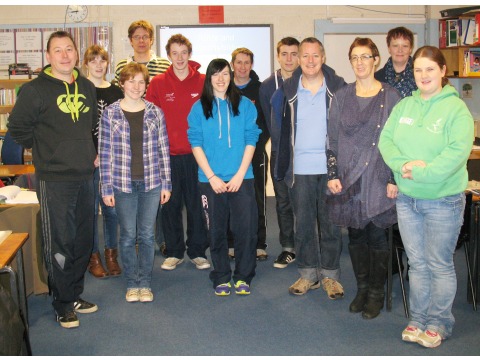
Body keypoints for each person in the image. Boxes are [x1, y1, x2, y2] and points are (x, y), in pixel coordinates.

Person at [379, 45, 474, 348]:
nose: (423, 75)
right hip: (407, 199)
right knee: (417, 263)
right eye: (418, 70)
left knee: (439, 263)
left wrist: (420, 172)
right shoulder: (405, 106)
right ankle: (418, 319)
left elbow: (456, 156)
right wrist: (402, 165)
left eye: (430, 69)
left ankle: (439, 322)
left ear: (443, 71)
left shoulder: (456, 110)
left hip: (443, 200)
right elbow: (386, 140)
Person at [8, 31, 98, 328]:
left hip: (86, 175)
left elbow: (91, 126)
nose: (64, 55)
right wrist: (45, 151)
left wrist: (92, 152)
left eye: (69, 49)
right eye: (57, 50)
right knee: (59, 241)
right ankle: (61, 302)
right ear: (48, 56)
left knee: (83, 238)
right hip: (54, 177)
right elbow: (17, 128)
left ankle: (74, 294)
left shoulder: (86, 86)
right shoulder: (34, 90)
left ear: (76, 52)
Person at [326, 38, 401, 319]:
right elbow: (331, 138)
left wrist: (394, 177)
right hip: (348, 178)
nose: (360, 62)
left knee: (377, 236)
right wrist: (332, 173)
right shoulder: (342, 96)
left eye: (365, 57)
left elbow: (399, 141)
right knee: (356, 235)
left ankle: (376, 293)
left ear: (376, 60)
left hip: (379, 177)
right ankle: (361, 288)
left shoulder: (391, 97)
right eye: (355, 57)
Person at [270, 37, 346, 298]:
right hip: (299, 169)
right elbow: (278, 132)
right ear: (299, 60)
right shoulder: (287, 91)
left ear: (323, 58)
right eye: (305, 56)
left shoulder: (338, 89)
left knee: (330, 224)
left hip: (330, 170)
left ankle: (331, 276)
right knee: (302, 225)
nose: (310, 61)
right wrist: (280, 167)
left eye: (315, 56)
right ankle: (307, 274)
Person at [187, 58, 261, 296]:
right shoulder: (199, 108)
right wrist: (211, 176)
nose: (221, 79)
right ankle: (220, 275)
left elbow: (252, 139)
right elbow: (195, 143)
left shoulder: (246, 106)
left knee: (245, 230)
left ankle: (243, 276)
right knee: (216, 231)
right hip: (211, 181)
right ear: (209, 78)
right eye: (216, 74)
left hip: (242, 178)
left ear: (231, 77)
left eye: (225, 74)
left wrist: (240, 173)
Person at [100, 62, 171, 303]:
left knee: (147, 235)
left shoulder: (155, 112)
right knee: (128, 235)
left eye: (141, 81)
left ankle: (146, 283)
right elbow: (105, 152)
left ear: (146, 85)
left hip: (151, 182)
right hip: (122, 184)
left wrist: (166, 184)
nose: (136, 86)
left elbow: (163, 150)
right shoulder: (110, 113)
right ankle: (133, 282)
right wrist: (106, 188)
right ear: (122, 84)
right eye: (131, 81)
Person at [145, 34, 209, 271]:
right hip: (168, 156)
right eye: (175, 53)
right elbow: (149, 119)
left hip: (197, 155)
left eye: (184, 52)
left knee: (196, 204)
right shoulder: (158, 83)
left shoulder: (203, 81)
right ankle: (174, 251)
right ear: (169, 55)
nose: (180, 58)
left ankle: (197, 251)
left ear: (189, 54)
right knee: (170, 205)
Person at [83, 44, 124, 279]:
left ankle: (111, 255)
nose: (98, 65)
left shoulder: (116, 91)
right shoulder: (80, 88)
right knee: (90, 211)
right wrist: (91, 153)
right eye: (93, 60)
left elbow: (121, 127)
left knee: (112, 210)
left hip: (112, 160)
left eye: (102, 60)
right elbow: (78, 126)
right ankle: (94, 256)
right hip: (88, 161)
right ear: (86, 64)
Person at [259, 36, 299, 268]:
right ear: (278, 56)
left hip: (304, 154)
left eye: (294, 54)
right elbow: (268, 120)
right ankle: (288, 247)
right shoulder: (267, 86)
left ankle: (307, 245)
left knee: (304, 202)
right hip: (279, 153)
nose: (289, 58)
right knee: (283, 201)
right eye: (284, 54)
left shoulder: (309, 80)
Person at [230, 47, 269, 261]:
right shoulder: (224, 88)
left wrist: (254, 145)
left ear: (251, 65)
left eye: (247, 62)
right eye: (239, 62)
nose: (242, 66)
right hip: (228, 156)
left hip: (255, 154)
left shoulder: (260, 89)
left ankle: (259, 243)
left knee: (256, 199)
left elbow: (266, 123)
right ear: (232, 64)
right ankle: (231, 243)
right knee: (230, 198)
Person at [114, 20, 170, 84]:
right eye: (136, 37)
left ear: (151, 40)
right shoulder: (121, 66)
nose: (141, 40)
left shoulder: (165, 65)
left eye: (145, 37)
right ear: (130, 41)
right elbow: (117, 93)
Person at [374, 26, 417, 98]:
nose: (400, 50)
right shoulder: (376, 78)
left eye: (405, 46)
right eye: (395, 46)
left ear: (410, 49)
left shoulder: (420, 76)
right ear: (389, 48)